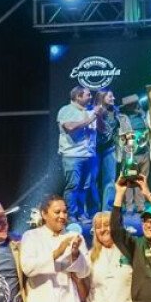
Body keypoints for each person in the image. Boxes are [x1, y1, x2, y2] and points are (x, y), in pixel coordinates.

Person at [58, 86, 102, 223]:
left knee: (85, 186)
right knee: (73, 186)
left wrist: (98, 116)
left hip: (89, 155)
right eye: (88, 95)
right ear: (78, 97)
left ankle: (81, 214)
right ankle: (71, 215)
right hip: (72, 155)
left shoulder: (90, 111)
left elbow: (101, 129)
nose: (91, 97)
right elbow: (70, 127)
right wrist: (92, 117)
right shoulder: (66, 110)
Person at [117, 95, 151, 214]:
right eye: (132, 104)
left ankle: (140, 205)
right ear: (127, 107)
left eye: (135, 103)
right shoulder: (123, 118)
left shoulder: (143, 116)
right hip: (130, 154)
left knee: (142, 180)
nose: (135, 106)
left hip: (144, 152)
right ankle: (129, 206)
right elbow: (121, 135)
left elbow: (148, 131)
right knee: (129, 180)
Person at [94, 89, 121, 211]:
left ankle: (107, 210)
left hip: (109, 149)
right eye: (110, 96)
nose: (113, 98)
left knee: (109, 180)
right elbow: (100, 129)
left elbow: (117, 130)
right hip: (93, 150)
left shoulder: (115, 111)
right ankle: (93, 209)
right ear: (102, 97)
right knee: (91, 181)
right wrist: (98, 115)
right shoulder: (93, 111)